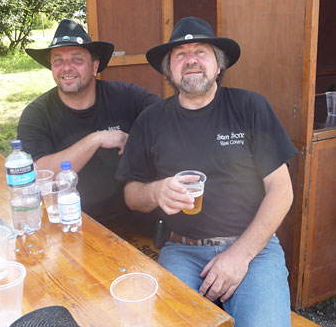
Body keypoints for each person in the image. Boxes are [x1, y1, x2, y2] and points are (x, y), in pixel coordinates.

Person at [116, 17, 298, 326]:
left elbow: (282, 190)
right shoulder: (151, 120)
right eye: (180, 54)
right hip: (181, 250)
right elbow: (131, 195)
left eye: (201, 51)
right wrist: (156, 192)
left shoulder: (250, 107)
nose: (191, 60)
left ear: (218, 64)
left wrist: (240, 255)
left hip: (253, 249)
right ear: (169, 69)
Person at [18, 19, 160, 233]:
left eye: (77, 60)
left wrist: (140, 141)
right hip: (71, 224)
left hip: (136, 221)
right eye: (58, 61)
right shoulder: (36, 115)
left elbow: (168, 116)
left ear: (95, 66)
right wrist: (96, 139)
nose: (67, 67)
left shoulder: (127, 96)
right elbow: (42, 176)